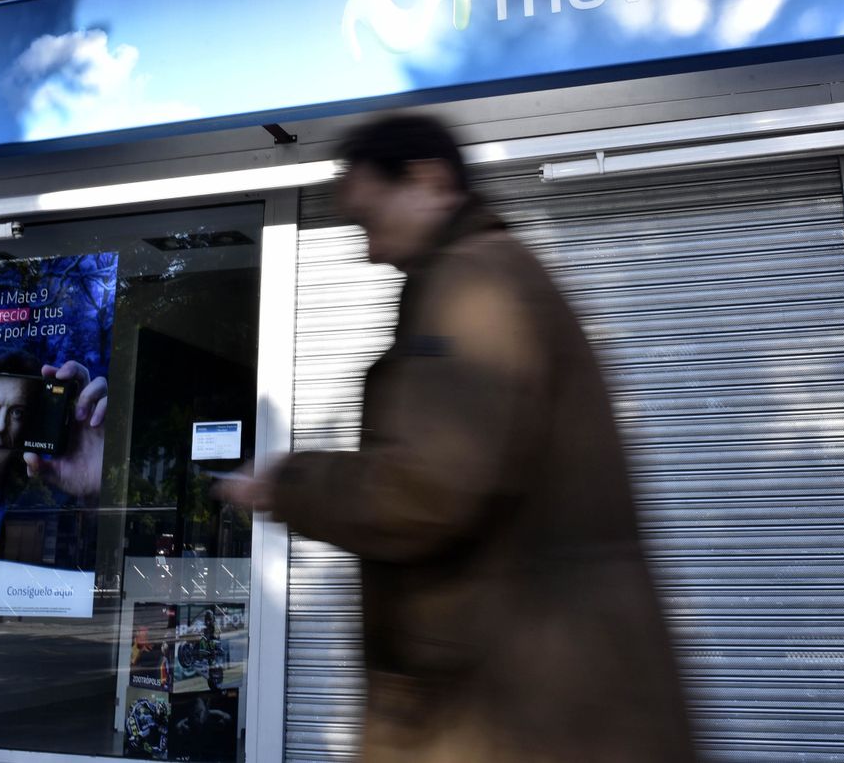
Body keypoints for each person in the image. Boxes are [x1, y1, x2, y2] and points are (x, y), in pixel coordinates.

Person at [218, 113, 697, 762]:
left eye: (369, 218)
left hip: (520, 711)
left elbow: (425, 488)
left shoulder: (474, 283)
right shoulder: (490, 272)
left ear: (429, 179)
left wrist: (289, 484)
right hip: (548, 699)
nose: (369, 249)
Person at [0, 349, 106, 568]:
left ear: (30, 427)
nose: (0, 427)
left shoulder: (51, 502)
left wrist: (95, 495)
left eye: (17, 413)